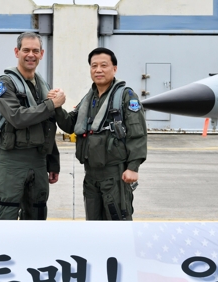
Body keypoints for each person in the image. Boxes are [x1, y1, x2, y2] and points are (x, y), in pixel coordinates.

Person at [50, 47, 147, 220]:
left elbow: (137, 133)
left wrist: (133, 167)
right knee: (93, 223)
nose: (98, 70)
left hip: (115, 174)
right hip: (91, 175)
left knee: (118, 221)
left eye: (104, 65)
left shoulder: (126, 96)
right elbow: (70, 124)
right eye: (94, 66)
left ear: (114, 68)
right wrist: (56, 106)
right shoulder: (90, 98)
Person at [0, 32, 65, 220]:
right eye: (26, 50)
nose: (31, 54)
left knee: (37, 212)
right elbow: (16, 117)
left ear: (42, 54)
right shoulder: (5, 84)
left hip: (39, 160)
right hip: (12, 160)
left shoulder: (43, 86)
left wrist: (52, 162)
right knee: (6, 211)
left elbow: (48, 126)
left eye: (35, 51)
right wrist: (51, 105)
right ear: (17, 52)